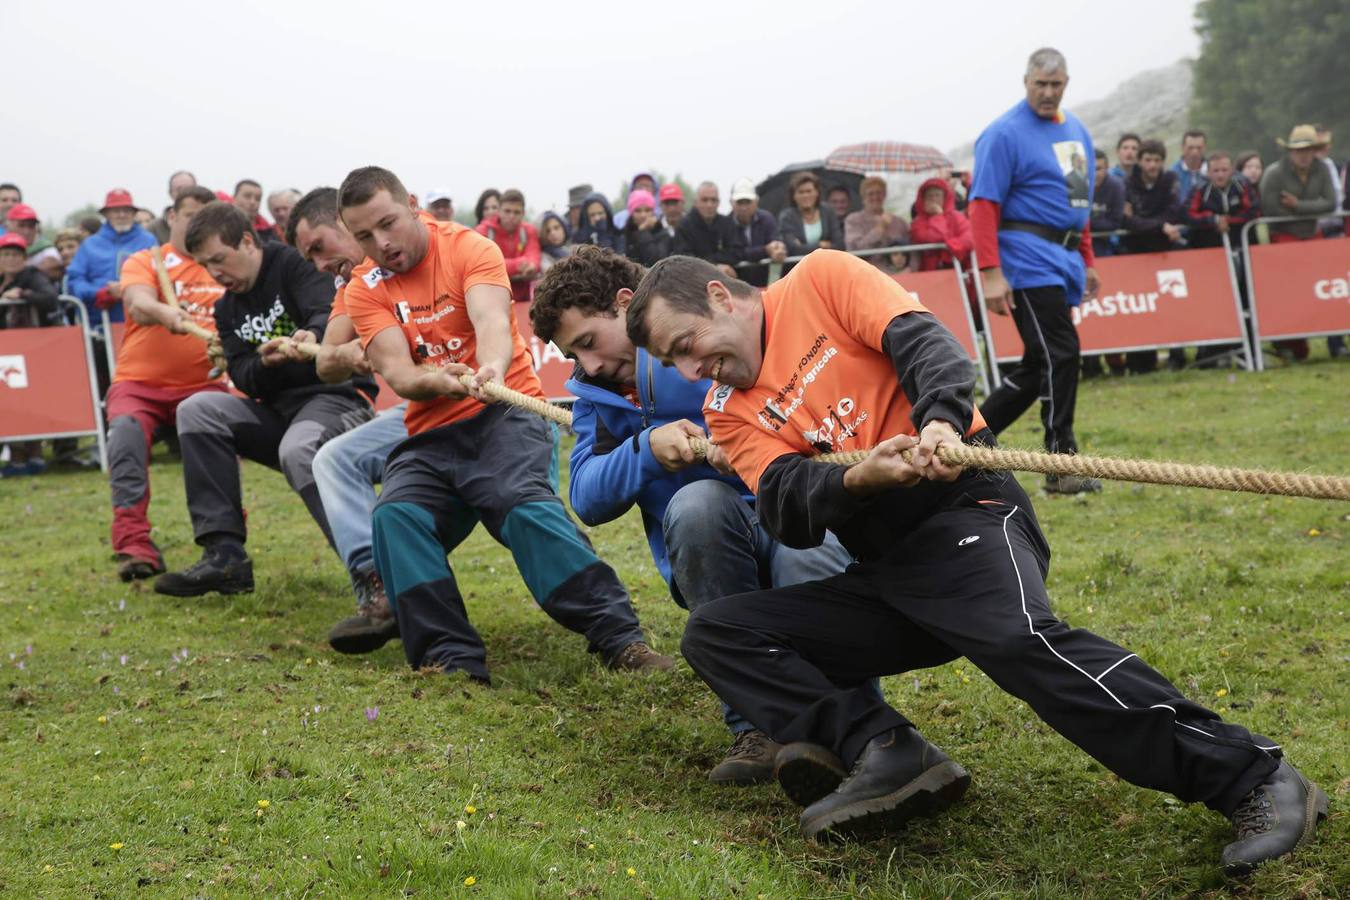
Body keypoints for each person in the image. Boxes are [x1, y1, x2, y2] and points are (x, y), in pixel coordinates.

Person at [624, 250, 1328, 873]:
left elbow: (926, 344)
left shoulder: (821, 278)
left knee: (1019, 642)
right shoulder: (727, 409)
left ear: (720, 296)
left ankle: (1253, 777)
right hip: (886, 570)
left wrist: (937, 420)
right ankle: (887, 750)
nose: (691, 369)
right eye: (675, 362)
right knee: (719, 633)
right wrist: (858, 479)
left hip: (965, 510)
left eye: (688, 344)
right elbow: (783, 506)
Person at [530, 245, 854, 784]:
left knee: (808, 549)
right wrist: (646, 449)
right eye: (573, 354)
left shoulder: (713, 344)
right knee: (697, 505)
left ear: (624, 304)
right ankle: (754, 728)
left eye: (588, 341)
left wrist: (744, 448)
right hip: (713, 545)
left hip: (793, 511)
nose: (587, 365)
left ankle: (855, 727)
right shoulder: (597, 398)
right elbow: (585, 495)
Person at [336, 165, 671, 680]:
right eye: (363, 236)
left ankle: (619, 638)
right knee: (394, 517)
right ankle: (448, 659)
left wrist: (488, 369)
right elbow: (399, 373)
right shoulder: (364, 288)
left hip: (506, 412)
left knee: (519, 505)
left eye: (387, 224)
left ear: (410, 203)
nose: (381, 243)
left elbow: (492, 319)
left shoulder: (469, 248)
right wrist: (440, 381)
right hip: (430, 431)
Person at [154, 202, 377, 597]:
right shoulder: (225, 308)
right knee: (197, 410)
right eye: (206, 266)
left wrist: (309, 337)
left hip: (340, 399)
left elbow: (326, 314)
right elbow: (242, 375)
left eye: (220, 259)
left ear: (246, 240)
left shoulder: (294, 263)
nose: (216, 273)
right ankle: (224, 556)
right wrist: (267, 362)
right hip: (279, 413)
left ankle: (375, 574)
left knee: (298, 448)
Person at [968, 48, 1101, 492]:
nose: (1047, 92)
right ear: (1026, 82)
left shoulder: (1076, 132)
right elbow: (984, 204)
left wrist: (1087, 259)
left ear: (1066, 83)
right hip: (1025, 259)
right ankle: (1060, 465)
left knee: (1035, 367)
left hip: (1062, 259)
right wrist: (990, 271)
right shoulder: (1003, 134)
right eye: (1040, 84)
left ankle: (968, 444)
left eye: (1056, 84)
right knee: (1060, 353)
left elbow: (1077, 202)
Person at [288, 186, 408, 653]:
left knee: (518, 510)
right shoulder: (354, 283)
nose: (317, 264)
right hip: (418, 412)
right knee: (330, 459)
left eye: (319, 246)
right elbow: (326, 362)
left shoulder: (441, 249)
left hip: (488, 402)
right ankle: (376, 589)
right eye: (308, 256)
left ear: (345, 224)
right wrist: (349, 349)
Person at [105, 187, 228, 581]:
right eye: (191, 215)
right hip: (139, 384)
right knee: (124, 434)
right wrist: (163, 312)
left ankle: (223, 543)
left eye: (207, 217)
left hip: (204, 387)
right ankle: (134, 545)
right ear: (172, 217)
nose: (198, 224)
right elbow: (138, 302)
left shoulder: (224, 267)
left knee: (214, 450)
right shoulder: (147, 260)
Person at [1260, 125, 1340, 361]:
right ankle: (1291, 346)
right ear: (1290, 151)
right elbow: (1271, 208)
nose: (1304, 155)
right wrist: (1308, 210)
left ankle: (1335, 341)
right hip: (1284, 238)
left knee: (1327, 288)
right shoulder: (1274, 174)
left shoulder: (1323, 169)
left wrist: (1298, 206)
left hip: (1314, 236)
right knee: (1289, 293)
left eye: (1309, 149)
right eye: (1299, 150)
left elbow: (1330, 203)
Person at [0, 231, 60, 478]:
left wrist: (23, 295)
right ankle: (17, 456)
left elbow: (50, 298)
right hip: (5, 351)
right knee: (8, 403)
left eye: (16, 254)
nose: (11, 259)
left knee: (30, 401)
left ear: (25, 258)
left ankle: (31, 456)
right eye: (6, 254)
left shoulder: (33, 277)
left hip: (30, 350)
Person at [66, 189, 160, 329]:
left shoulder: (148, 241)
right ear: (106, 214)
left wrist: (128, 289)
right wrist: (99, 293)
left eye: (126, 210)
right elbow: (74, 281)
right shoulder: (90, 244)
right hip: (97, 326)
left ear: (134, 213)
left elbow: (160, 277)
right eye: (116, 211)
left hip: (141, 323)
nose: (122, 215)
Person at [475, 189, 541, 303]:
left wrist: (532, 266)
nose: (511, 216)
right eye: (507, 211)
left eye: (516, 212)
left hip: (523, 300)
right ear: (499, 211)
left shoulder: (528, 230)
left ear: (523, 213)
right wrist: (518, 265)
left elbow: (534, 255)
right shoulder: (483, 231)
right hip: (491, 300)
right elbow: (484, 263)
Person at [844, 176, 909, 273]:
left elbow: (911, 251)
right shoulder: (853, 220)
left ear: (884, 195)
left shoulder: (899, 222)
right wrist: (878, 230)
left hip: (897, 277)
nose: (875, 197)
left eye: (879, 193)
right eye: (870, 194)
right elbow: (855, 250)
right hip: (866, 274)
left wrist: (911, 270)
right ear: (863, 197)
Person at [728, 178, 786, 287]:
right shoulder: (726, 224)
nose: (744, 207)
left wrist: (778, 248)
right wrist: (765, 250)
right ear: (732, 203)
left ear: (756, 202)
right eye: (740, 202)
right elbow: (735, 254)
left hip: (766, 281)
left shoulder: (767, 219)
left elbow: (775, 241)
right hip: (738, 285)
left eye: (748, 202)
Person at [673, 182, 739, 277]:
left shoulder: (727, 223)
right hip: (694, 280)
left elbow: (736, 252)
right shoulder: (684, 226)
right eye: (705, 200)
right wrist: (714, 266)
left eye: (713, 200)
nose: (709, 204)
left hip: (725, 279)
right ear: (696, 202)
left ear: (718, 202)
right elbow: (683, 258)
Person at [908, 177, 973, 272]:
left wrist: (950, 245)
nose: (934, 199)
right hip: (929, 274)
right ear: (923, 199)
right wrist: (938, 216)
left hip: (957, 270)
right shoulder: (917, 222)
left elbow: (969, 239)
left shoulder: (957, 217)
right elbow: (930, 238)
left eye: (937, 195)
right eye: (930, 196)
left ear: (945, 197)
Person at [777, 171, 844, 258]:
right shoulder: (787, 217)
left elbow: (839, 245)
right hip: (799, 265)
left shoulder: (828, 211)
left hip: (827, 263)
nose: (805, 195)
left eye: (809, 191)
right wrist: (821, 244)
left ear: (817, 193)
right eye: (801, 192)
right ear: (794, 196)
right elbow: (793, 249)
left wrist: (804, 246)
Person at [1089, 149, 1125, 257]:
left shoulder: (1116, 186)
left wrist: (1087, 223)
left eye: (1098, 169)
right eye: (1091, 169)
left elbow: (1115, 223)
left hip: (1105, 241)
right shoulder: (1078, 185)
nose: (1094, 174)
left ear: (1107, 168)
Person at [622, 189, 671, 266]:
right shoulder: (623, 234)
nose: (643, 215)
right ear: (631, 213)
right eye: (638, 211)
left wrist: (642, 232)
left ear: (653, 212)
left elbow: (656, 262)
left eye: (647, 210)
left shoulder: (662, 234)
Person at [151, 171, 199, 242]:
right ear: (170, 193)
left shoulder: (208, 223)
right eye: (179, 189)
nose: (184, 193)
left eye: (189, 188)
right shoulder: (154, 228)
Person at [1172, 129, 1209, 199]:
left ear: (1205, 148)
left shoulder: (1215, 171)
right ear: (1182, 147)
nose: (1195, 152)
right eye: (1190, 148)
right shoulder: (1173, 173)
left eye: (1199, 148)